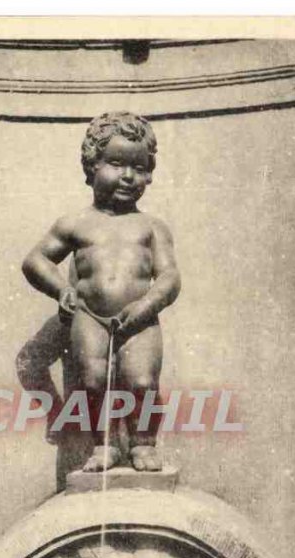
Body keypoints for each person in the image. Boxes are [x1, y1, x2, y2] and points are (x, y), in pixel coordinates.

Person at [22, 111, 180, 472]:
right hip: (89, 316)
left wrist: (148, 304)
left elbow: (170, 277)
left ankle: (143, 443)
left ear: (149, 173)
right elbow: (35, 260)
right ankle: (104, 444)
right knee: (93, 383)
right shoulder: (75, 223)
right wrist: (62, 290)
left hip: (140, 318)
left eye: (138, 167)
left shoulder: (152, 226)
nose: (128, 176)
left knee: (143, 382)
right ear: (92, 166)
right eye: (116, 163)